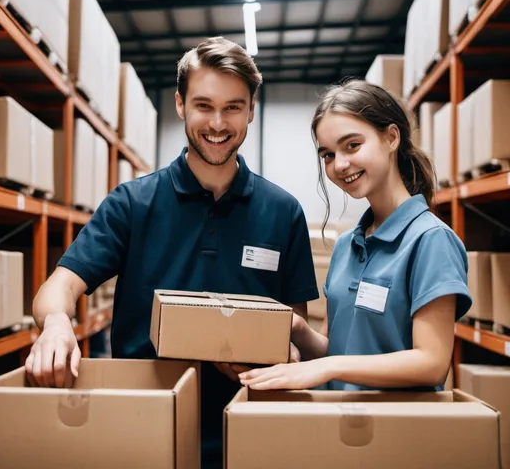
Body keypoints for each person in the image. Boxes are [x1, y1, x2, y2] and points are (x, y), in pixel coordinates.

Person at [25, 37, 318, 468]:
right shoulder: (133, 203)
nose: (218, 123)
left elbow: (295, 331)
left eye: (233, 107)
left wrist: (274, 354)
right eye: (204, 105)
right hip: (144, 427)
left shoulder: (283, 212)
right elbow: (60, 286)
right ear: (180, 105)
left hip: (247, 429)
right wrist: (55, 323)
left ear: (252, 110)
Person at [240, 79, 472, 392]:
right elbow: (339, 351)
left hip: (397, 432)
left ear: (391, 138)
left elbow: (431, 363)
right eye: (328, 155)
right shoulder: (347, 245)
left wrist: (328, 367)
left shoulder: (430, 240)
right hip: (339, 425)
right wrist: (298, 330)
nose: (340, 165)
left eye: (352, 145)